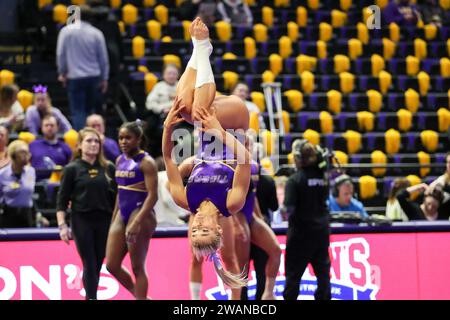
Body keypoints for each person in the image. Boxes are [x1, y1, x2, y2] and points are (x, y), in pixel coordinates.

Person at [162, 18, 252, 295]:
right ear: (218, 230)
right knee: (195, 113)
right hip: (233, 126)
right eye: (204, 231)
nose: (198, 226)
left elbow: (168, 160)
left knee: (182, 106)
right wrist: (220, 132)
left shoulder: (185, 200)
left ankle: (199, 49)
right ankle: (201, 47)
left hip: (207, 120)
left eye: (194, 231)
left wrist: (168, 127)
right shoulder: (231, 203)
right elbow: (246, 160)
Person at [56, 127, 116, 300]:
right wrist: (62, 226)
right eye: (89, 141)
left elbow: (116, 199)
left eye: (96, 141)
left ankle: (90, 296)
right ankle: (92, 298)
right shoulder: (72, 169)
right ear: (80, 145)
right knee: (89, 262)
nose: (93, 144)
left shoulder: (108, 168)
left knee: (97, 263)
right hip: (82, 220)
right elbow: (61, 201)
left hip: (105, 221)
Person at [105, 121, 158, 300]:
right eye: (120, 138)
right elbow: (120, 194)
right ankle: (139, 295)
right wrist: (114, 219)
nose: (123, 142)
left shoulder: (147, 162)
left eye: (128, 138)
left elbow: (153, 196)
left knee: (137, 267)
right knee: (111, 265)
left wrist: (137, 222)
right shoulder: (119, 160)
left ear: (138, 139)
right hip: (123, 212)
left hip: (141, 213)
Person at [281, 139, 331, 300]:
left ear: (299, 158)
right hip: (321, 234)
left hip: (300, 236)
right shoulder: (323, 178)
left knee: (293, 278)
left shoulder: (294, 180)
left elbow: (288, 208)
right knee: (323, 277)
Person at [56, 4, 109, 130]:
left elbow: (60, 54)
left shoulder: (66, 31)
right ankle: (95, 139)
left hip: (74, 77)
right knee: (92, 111)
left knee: (78, 112)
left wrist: (62, 72)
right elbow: (103, 58)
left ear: (76, 15)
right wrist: (104, 78)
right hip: (93, 77)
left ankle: (82, 141)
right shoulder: (96, 33)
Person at [145, 63, 181, 159]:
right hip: (159, 115)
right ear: (164, 75)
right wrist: (161, 109)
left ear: (178, 75)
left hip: (178, 115)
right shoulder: (158, 87)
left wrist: (172, 109)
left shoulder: (181, 86)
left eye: (174, 73)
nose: (171, 76)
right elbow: (150, 103)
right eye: (169, 73)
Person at [0, 139, 36, 228]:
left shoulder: (31, 172)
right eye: (22, 152)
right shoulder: (2, 174)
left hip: (27, 214)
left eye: (27, 153)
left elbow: (30, 195)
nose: (26, 156)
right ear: (13, 155)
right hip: (8, 215)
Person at [29, 114, 72, 180]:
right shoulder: (32, 145)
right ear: (41, 127)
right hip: (36, 182)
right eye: (46, 125)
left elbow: (70, 168)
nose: (49, 128)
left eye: (52, 125)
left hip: (59, 184)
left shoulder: (65, 147)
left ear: (57, 127)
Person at [428, 152, 450, 220]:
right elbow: (428, 193)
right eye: (448, 162)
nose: (449, 165)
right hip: (443, 219)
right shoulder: (441, 180)